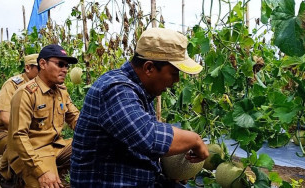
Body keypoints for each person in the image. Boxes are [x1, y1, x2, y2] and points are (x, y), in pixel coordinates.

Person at [71, 28, 209, 187]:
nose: (177, 80)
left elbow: (138, 147)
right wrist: (195, 140)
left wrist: (170, 170)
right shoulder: (116, 89)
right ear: (149, 68)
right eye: (174, 72)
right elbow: (147, 136)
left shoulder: (139, 90)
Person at [7, 44, 80, 188]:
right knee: (48, 183)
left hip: (56, 146)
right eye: (60, 64)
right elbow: (19, 136)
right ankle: (17, 177)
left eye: (66, 66)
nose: (65, 69)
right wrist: (40, 172)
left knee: (96, 147)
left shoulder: (61, 92)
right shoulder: (26, 94)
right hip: (32, 153)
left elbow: (77, 120)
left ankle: (58, 170)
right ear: (42, 64)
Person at [0, 54, 39, 185]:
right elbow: (4, 118)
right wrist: (27, 134)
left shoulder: (41, 86)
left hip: (23, 131)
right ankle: (3, 177)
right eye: (39, 68)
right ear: (27, 68)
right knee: (18, 141)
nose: (43, 71)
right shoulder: (12, 85)